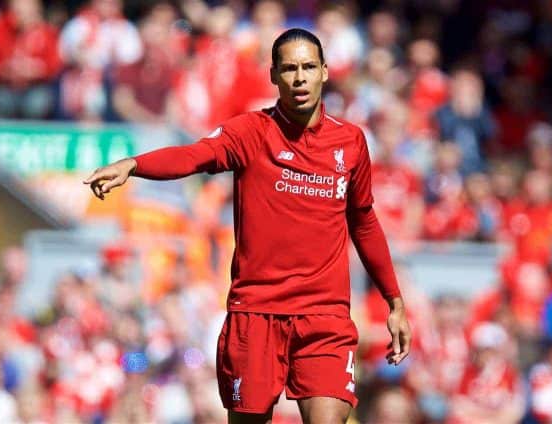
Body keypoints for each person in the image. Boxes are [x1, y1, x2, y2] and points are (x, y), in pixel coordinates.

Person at [84, 28, 411, 424]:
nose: (300, 78)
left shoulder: (351, 142)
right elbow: (195, 155)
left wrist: (394, 301)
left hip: (324, 317)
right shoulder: (251, 133)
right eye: (289, 69)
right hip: (256, 313)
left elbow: (364, 222)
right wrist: (135, 165)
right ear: (273, 76)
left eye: (309, 67)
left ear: (325, 71)